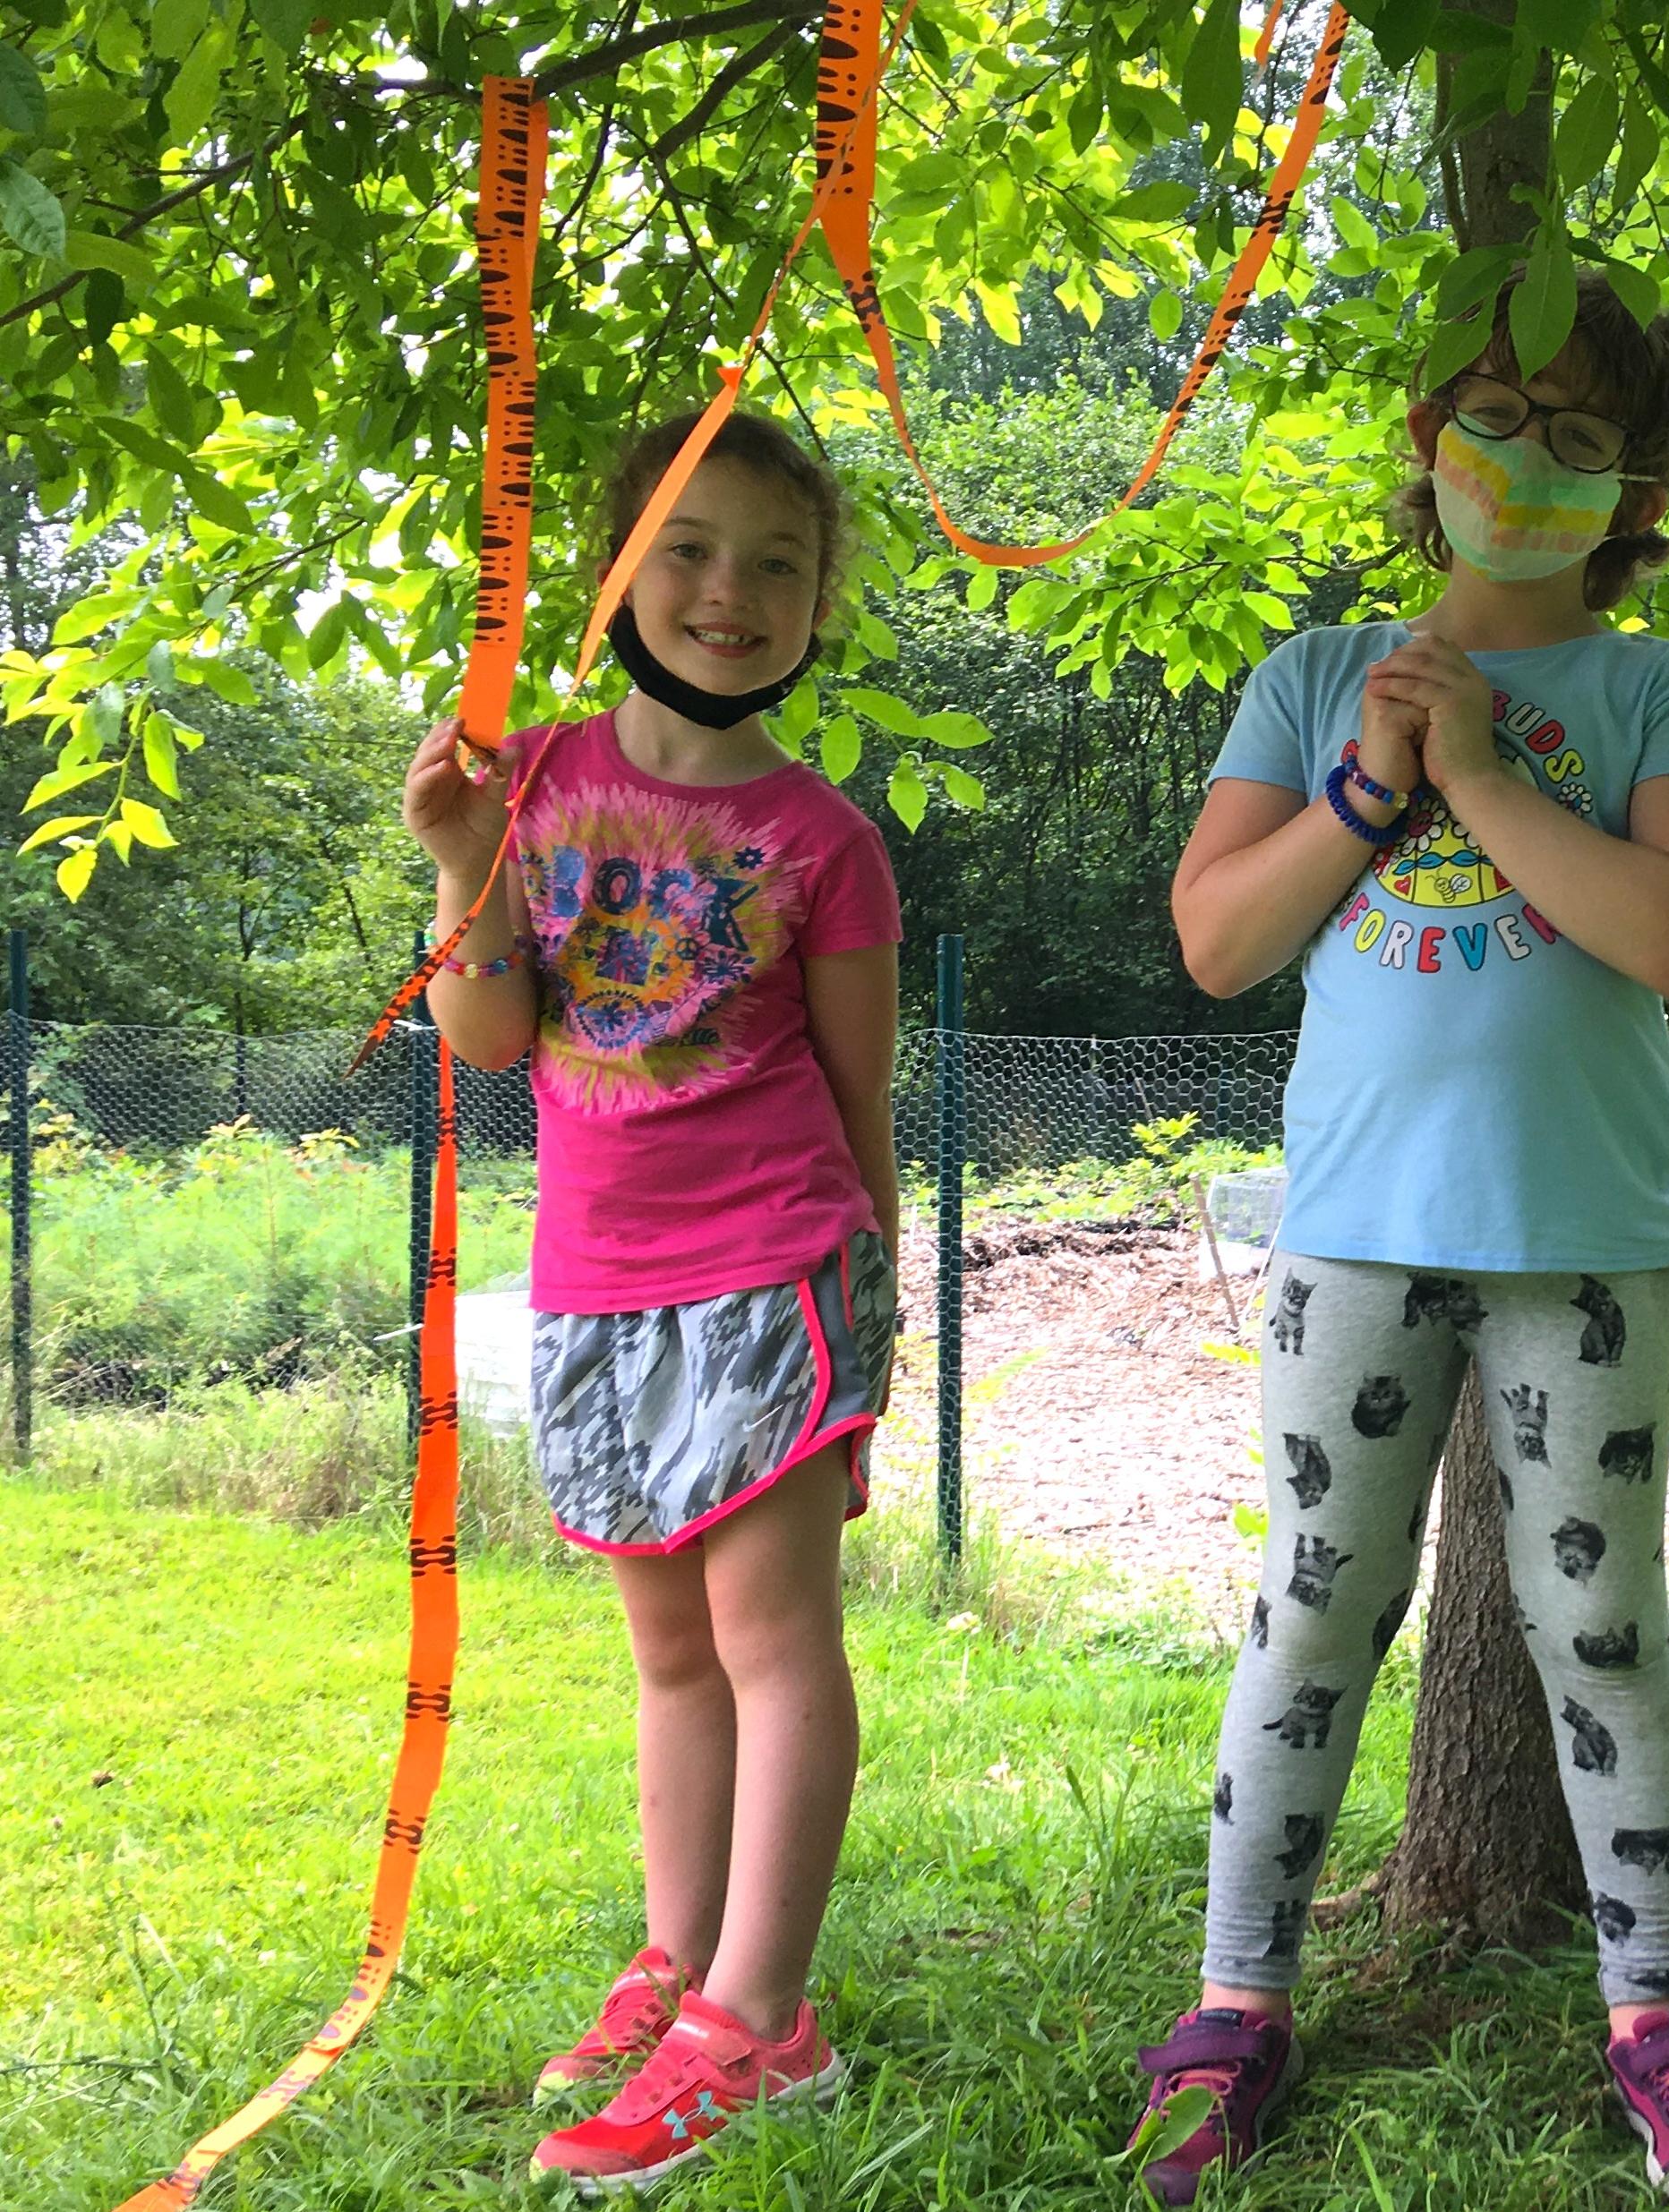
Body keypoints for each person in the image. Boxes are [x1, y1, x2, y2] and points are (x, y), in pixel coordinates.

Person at [1126, 271, 1669, 2207]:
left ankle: (1654, 2015)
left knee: (1602, 1628)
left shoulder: (1665, 692)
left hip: (1588, 1241)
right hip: (1351, 1239)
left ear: (1637, 484)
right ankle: (1237, 2000)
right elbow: (1223, 939)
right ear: (1430, 439)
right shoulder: (1320, 677)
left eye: (1583, 436)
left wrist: (1484, 771)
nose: (1529, 460)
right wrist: (1372, 779)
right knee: (1317, 1614)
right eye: (1496, 412)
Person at [400, 407, 903, 2191]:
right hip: (594, 1292)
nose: (731, 591)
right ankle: (680, 1968)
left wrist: (877, 1312)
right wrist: (466, 868)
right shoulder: (524, 785)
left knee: (774, 1651)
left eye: (780, 562)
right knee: (671, 1657)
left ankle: (760, 2021)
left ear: (818, 602)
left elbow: (860, 1098)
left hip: (772, 1272)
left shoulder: (822, 837)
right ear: (618, 569)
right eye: (690, 547)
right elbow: (488, 1037)